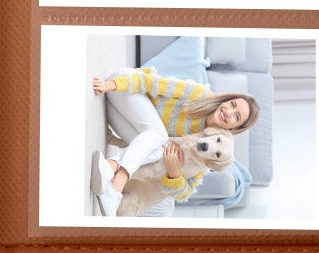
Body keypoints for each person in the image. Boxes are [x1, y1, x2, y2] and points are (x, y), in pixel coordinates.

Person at [90, 63, 259, 214]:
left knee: (159, 151)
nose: (228, 112)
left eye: (236, 117)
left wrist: (174, 173)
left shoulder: (205, 150)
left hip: (117, 115)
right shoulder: (199, 95)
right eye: (232, 104)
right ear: (226, 100)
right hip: (125, 88)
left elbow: (185, 192)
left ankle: (109, 168)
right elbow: (151, 83)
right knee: (160, 136)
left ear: (234, 129)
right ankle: (115, 180)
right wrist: (109, 85)